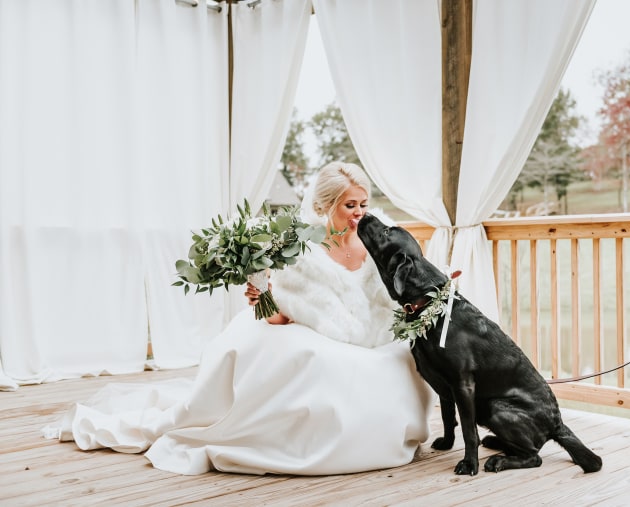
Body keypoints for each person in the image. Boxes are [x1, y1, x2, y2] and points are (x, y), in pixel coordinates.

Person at [51, 162, 433, 475]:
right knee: (315, 360)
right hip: (318, 333)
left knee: (404, 357)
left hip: (376, 333)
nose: (359, 213)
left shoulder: (378, 241)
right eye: (350, 205)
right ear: (325, 206)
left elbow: (400, 289)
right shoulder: (301, 252)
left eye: (363, 203)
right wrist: (263, 298)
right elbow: (281, 316)